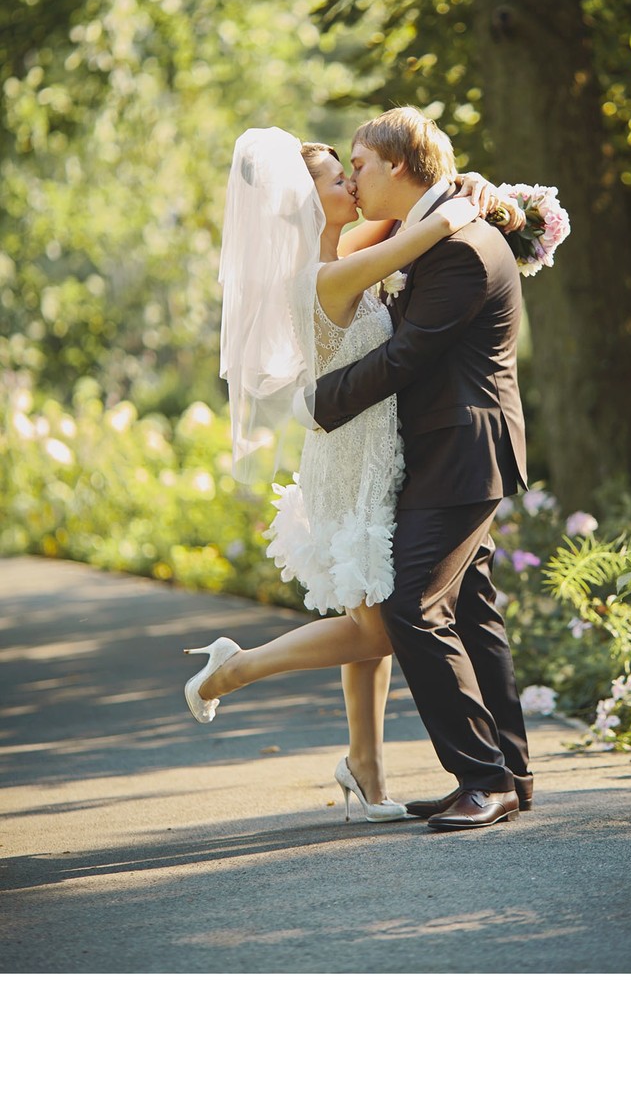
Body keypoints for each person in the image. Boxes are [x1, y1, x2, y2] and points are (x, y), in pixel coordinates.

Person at [183, 124, 507, 823]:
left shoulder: (338, 252)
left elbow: (408, 215)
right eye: (337, 179)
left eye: (349, 170)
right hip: (350, 456)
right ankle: (234, 668)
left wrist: (472, 189)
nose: (351, 185)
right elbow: (421, 231)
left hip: (364, 452)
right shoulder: (329, 273)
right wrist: (461, 205)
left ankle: (365, 767)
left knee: (367, 612)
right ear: (307, 204)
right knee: (380, 626)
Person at [294, 106, 533, 831]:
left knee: (410, 606)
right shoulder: (427, 232)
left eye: (359, 164)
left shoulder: (458, 244)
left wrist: (315, 403)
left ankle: (482, 777)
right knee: (468, 608)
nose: (353, 177)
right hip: (445, 448)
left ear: (397, 164)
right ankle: (509, 774)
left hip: (462, 447)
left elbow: (406, 357)